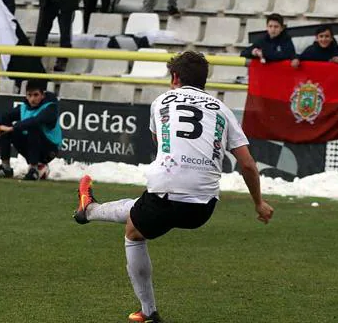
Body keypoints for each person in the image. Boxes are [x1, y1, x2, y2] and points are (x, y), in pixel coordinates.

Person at [72, 51, 274, 323]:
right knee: (141, 211)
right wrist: (258, 203)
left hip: (167, 189)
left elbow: (161, 145)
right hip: (204, 207)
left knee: (134, 232)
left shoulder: (161, 101)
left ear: (175, 77)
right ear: (204, 80)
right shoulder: (223, 110)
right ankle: (90, 209)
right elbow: (248, 164)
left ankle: (148, 311)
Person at [0, 79, 62, 180]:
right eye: (29, 95)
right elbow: (4, 115)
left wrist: (13, 128)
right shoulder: (24, 107)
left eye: (36, 95)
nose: (32, 99)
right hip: (32, 147)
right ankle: (5, 168)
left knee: (32, 126)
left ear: (43, 95)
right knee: (4, 124)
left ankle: (33, 170)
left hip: (49, 150)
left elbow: (36, 120)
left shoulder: (50, 108)